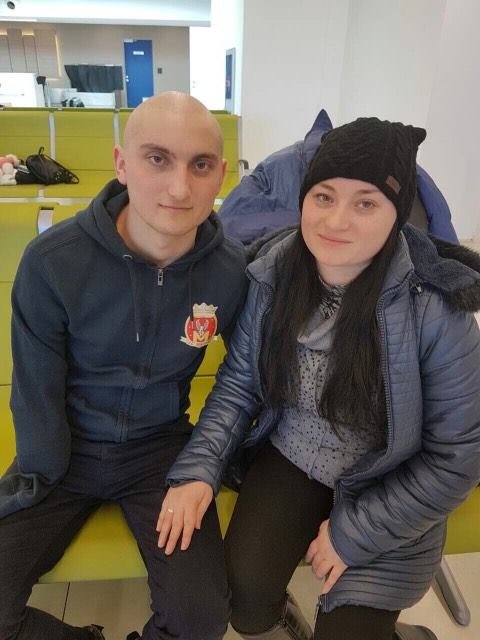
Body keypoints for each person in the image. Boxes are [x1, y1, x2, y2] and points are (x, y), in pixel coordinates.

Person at [160, 117, 480, 640]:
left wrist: (354, 535)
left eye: (366, 204)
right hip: (293, 454)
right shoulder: (274, 272)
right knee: (243, 604)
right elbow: (239, 385)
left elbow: (457, 455)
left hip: (391, 479)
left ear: (397, 214)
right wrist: (199, 469)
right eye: (324, 197)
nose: (336, 221)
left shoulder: (435, 309)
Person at [0, 92, 247, 640]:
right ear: (121, 164)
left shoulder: (232, 271)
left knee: (200, 619)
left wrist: (207, 467)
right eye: (158, 159)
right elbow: (34, 389)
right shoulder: (53, 262)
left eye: (200, 165)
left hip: (161, 451)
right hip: (65, 449)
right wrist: (38, 474)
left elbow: (246, 379)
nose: (179, 188)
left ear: (221, 173)